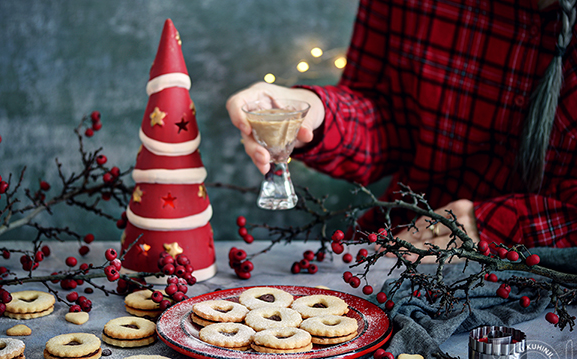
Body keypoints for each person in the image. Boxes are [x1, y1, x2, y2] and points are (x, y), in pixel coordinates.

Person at [226, 0, 577, 253]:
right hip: (400, 252)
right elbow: (387, 122)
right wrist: (316, 112)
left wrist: (496, 223)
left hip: (556, 285)